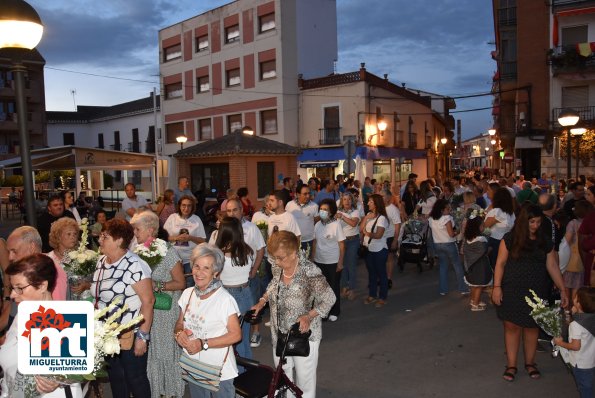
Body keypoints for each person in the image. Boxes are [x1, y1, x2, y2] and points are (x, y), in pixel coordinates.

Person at [251, 231, 335, 398]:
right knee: (284, 378)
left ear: (294, 252)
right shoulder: (277, 266)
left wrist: (308, 316)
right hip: (279, 333)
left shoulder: (309, 271)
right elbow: (274, 284)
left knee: (304, 382)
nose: (277, 262)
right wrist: (262, 301)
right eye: (275, 257)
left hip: (304, 335)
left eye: (281, 257)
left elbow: (329, 298)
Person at [492, 204, 568, 382]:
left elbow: (552, 266)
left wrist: (563, 289)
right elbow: (500, 264)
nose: (535, 225)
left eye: (538, 222)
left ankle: (530, 363)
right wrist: (496, 287)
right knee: (511, 327)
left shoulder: (544, 240)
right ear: (522, 222)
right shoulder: (509, 239)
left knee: (532, 327)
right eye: (532, 222)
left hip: (537, 290)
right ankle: (511, 365)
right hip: (512, 289)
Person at [0, 254, 83, 397]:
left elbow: (81, 370)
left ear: (43, 286)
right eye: (13, 288)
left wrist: (61, 379)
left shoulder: (65, 321)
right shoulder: (22, 315)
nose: (13, 295)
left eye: (20, 288)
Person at [91, 219, 155, 398]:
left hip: (131, 333)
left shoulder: (135, 265)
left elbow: (148, 301)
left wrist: (143, 336)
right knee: (116, 378)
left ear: (119, 240)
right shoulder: (102, 261)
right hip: (107, 333)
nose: (100, 240)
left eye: (105, 236)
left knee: (135, 378)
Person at [174, 243, 242, 398]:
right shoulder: (187, 294)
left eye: (206, 268)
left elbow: (236, 335)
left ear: (216, 272)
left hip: (219, 370)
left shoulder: (225, 300)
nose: (199, 272)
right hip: (194, 365)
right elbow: (179, 323)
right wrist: (179, 334)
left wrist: (203, 343)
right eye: (196, 266)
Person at [130, 211, 185, 398]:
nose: (135, 233)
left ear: (151, 230)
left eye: (137, 229)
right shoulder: (137, 251)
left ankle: (171, 392)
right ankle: (156, 390)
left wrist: (157, 285)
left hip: (166, 309)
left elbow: (180, 283)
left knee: (166, 352)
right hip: (147, 309)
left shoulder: (168, 251)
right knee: (151, 352)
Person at [214, 217, 255, 362]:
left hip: (227, 295)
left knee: (229, 339)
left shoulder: (219, 253)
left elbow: (215, 278)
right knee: (243, 338)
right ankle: (247, 374)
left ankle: (235, 373)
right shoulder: (247, 250)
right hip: (246, 293)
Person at [553, 287, 595, 398]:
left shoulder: (576, 325)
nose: (574, 298)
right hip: (591, 360)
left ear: (579, 304)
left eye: (576, 297)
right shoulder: (591, 318)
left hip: (580, 363)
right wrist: (573, 312)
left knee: (585, 389)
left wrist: (559, 342)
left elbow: (576, 346)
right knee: (588, 385)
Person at [312, 198, 345, 321]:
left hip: (333, 261)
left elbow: (342, 245)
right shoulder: (317, 225)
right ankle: (323, 311)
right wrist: (313, 258)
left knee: (333, 287)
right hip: (320, 261)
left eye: (325, 210)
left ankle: (335, 311)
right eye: (321, 209)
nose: (322, 211)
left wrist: (340, 263)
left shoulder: (336, 225)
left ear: (331, 212)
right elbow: (315, 242)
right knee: (321, 289)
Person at [164, 195, 207, 288]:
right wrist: (176, 238)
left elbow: (203, 241)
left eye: (189, 206)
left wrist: (191, 238)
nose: (186, 208)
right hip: (174, 259)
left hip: (190, 259)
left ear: (192, 207)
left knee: (189, 286)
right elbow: (163, 237)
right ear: (179, 206)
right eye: (183, 205)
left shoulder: (196, 219)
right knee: (175, 285)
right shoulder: (172, 217)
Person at [429, 199, 469, 296]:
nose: (450, 210)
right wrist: (458, 231)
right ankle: (463, 288)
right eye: (448, 208)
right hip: (449, 244)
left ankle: (443, 289)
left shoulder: (431, 219)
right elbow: (451, 234)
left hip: (438, 244)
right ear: (442, 210)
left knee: (443, 266)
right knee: (457, 266)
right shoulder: (447, 218)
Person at [360, 194, 389, 307]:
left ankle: (383, 297)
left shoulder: (382, 218)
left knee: (381, 274)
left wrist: (367, 234)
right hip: (369, 249)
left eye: (370, 202)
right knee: (371, 273)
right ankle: (372, 295)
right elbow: (360, 229)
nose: (368, 203)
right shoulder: (368, 215)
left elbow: (378, 235)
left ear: (376, 204)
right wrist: (366, 218)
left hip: (379, 250)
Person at [563, 200, 592, 306]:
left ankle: (567, 312)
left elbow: (567, 240)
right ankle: (576, 310)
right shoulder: (589, 223)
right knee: (577, 287)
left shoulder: (573, 223)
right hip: (583, 259)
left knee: (566, 287)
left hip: (570, 259)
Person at [462, 212, 492, 311]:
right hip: (480, 267)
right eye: (482, 225)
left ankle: (473, 299)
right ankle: (475, 304)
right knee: (479, 285)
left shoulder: (467, 239)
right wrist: (489, 249)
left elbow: (465, 251)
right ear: (477, 227)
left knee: (473, 285)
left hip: (470, 266)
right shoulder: (481, 240)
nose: (484, 227)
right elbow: (484, 251)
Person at [46, 217, 78, 300]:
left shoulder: (81, 257)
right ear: (58, 237)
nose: (73, 237)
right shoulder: (48, 259)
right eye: (69, 234)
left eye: (75, 234)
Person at [337, 192, 361, 301]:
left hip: (352, 241)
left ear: (352, 201)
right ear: (342, 201)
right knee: (342, 265)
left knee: (351, 265)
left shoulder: (355, 211)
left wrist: (342, 216)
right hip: (341, 241)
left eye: (349, 199)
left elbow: (353, 223)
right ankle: (344, 287)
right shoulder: (337, 212)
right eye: (345, 199)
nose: (347, 201)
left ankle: (352, 289)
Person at [484, 187, 515, 267]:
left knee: (494, 266)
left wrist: (487, 237)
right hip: (508, 242)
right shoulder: (511, 213)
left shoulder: (497, 211)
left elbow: (485, 227)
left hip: (495, 242)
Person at [285, 184, 318, 253]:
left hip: (309, 241)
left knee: (307, 263)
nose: (308, 196)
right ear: (298, 194)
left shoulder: (314, 206)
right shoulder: (290, 205)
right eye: (305, 194)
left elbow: (315, 221)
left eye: (309, 193)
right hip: (293, 241)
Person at [381, 190, 401, 289]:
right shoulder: (379, 208)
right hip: (380, 238)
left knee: (389, 259)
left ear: (388, 197)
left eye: (383, 196)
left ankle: (388, 279)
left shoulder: (393, 209)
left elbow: (398, 226)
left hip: (390, 237)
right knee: (381, 259)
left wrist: (395, 240)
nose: (381, 198)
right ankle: (382, 278)